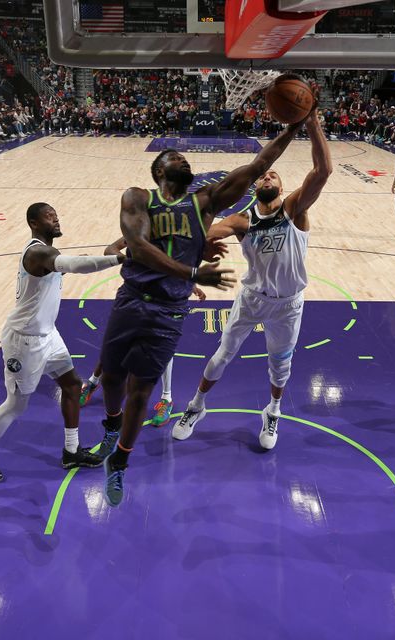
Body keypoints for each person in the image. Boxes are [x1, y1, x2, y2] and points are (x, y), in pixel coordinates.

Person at [90, 112, 313, 507]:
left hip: (169, 309)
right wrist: (193, 267)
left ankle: (119, 462)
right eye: (177, 159)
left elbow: (259, 165)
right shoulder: (137, 197)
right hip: (132, 299)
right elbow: (141, 246)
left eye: (187, 161)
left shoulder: (204, 202)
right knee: (111, 377)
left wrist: (294, 127)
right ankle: (111, 425)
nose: (185, 162)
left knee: (141, 390)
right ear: (159, 171)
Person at [171, 108, 332, 451]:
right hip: (252, 298)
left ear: (283, 187)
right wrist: (199, 244)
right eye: (263, 177)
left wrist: (313, 124)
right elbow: (202, 233)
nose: (267, 179)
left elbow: (323, 171)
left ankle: (272, 411)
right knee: (221, 355)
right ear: (256, 185)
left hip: (288, 305)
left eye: (273, 177)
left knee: (280, 368)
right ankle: (196, 406)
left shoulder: (294, 210)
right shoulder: (241, 220)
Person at [0, 202, 124, 483]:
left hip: (48, 335)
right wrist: (118, 259)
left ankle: (71, 451)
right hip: (23, 342)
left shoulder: (49, 253)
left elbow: (74, 261)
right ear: (34, 223)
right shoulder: (38, 252)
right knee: (16, 405)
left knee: (73, 385)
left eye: (57, 215)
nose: (56, 219)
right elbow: (74, 265)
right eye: (50, 216)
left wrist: (122, 242)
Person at [79, 237, 209, 428]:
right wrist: (131, 264)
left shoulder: (179, 236)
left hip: (166, 304)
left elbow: (179, 267)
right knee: (117, 345)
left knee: (162, 348)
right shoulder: (140, 231)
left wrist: (192, 285)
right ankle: (93, 381)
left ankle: (166, 399)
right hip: (135, 298)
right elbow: (110, 248)